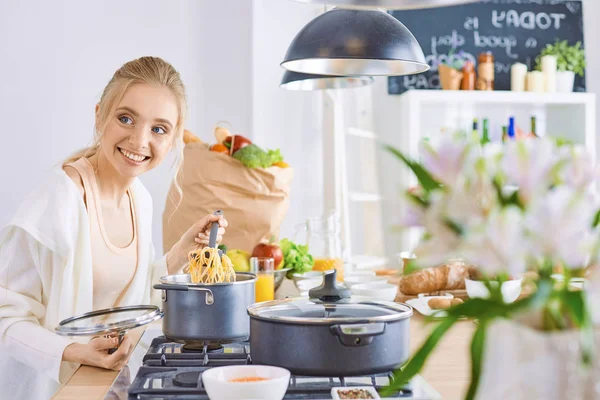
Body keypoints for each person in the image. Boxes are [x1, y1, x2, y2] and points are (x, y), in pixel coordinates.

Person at [0, 56, 228, 399]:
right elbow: (5, 317)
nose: (139, 141)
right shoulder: (58, 200)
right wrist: (73, 352)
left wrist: (182, 252)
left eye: (159, 129)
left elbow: (128, 304)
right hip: (56, 390)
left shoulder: (139, 197)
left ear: (173, 139)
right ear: (99, 115)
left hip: (110, 386)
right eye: (126, 118)